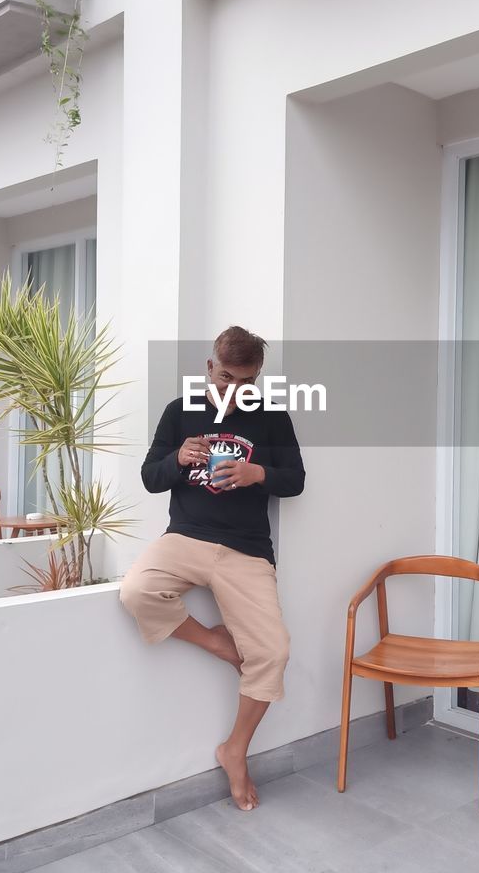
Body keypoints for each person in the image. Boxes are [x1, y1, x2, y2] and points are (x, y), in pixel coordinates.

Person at [119, 325, 305, 811]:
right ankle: (218, 641)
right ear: (210, 368)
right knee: (136, 592)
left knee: (273, 651)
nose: (234, 390)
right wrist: (178, 458)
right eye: (226, 378)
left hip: (245, 550)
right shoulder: (179, 412)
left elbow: (296, 480)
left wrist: (256, 473)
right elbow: (149, 476)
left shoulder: (271, 418)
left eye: (246, 381)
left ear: (257, 376)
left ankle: (234, 750)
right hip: (185, 537)